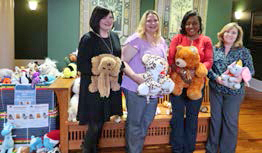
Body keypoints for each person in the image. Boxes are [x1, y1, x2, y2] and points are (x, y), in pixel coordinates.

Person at [77, 6, 141, 153]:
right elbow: (82, 65)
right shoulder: (88, 39)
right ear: (96, 19)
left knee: (102, 122)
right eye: (104, 17)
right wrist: (101, 71)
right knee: (95, 124)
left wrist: (133, 76)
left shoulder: (114, 37)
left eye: (111, 17)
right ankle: (86, 148)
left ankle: (93, 148)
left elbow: (119, 60)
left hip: (111, 87)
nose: (108, 20)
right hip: (94, 89)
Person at [121, 10, 168, 153]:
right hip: (135, 88)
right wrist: (136, 76)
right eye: (149, 20)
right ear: (143, 22)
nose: (152, 23)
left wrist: (163, 74)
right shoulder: (136, 39)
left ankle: (136, 149)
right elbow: (122, 61)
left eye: (155, 20)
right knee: (135, 124)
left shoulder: (161, 41)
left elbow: (164, 62)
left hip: (153, 91)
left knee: (146, 122)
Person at [168, 10, 213, 153]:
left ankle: (189, 149)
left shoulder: (206, 40)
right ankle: (177, 148)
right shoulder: (177, 39)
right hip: (178, 84)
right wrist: (181, 72)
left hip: (196, 86)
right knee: (177, 118)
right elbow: (171, 59)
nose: (191, 26)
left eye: (194, 23)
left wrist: (194, 72)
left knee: (192, 119)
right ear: (184, 25)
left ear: (199, 25)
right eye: (188, 23)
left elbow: (209, 61)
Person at [206, 22, 254, 153]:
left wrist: (241, 78)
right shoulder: (214, 49)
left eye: (233, 32)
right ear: (222, 34)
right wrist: (216, 78)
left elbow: (251, 70)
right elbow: (208, 68)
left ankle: (227, 150)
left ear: (238, 35)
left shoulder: (244, 51)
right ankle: (211, 149)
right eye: (227, 31)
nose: (230, 35)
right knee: (215, 120)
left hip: (234, 93)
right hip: (216, 90)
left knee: (230, 122)